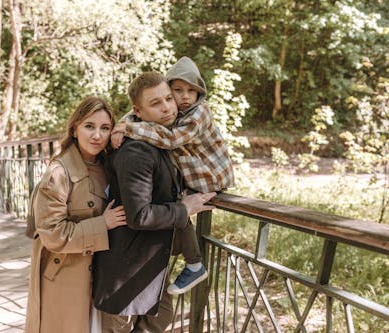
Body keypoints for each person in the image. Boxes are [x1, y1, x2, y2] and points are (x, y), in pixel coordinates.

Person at [93, 71, 217, 333]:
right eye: (155, 103)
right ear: (138, 111)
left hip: (149, 269)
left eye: (169, 99)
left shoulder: (158, 140)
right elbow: (139, 215)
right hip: (126, 275)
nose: (167, 108)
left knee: (161, 318)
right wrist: (184, 209)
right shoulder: (136, 150)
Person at [110, 56, 235, 295]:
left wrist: (129, 128)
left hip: (210, 176)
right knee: (177, 206)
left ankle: (192, 262)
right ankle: (189, 261)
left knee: (180, 206)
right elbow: (135, 114)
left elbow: (171, 139)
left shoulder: (198, 113)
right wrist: (122, 124)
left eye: (192, 91)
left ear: (201, 92)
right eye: (177, 91)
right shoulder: (173, 110)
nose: (184, 97)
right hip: (191, 172)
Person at [25, 96, 127, 333]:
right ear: (74, 128)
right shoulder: (59, 173)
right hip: (65, 276)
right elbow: (52, 233)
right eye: (89, 126)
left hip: (101, 275)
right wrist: (102, 224)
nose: (97, 135)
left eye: (105, 128)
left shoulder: (109, 164)